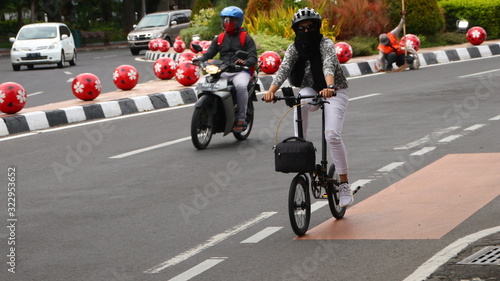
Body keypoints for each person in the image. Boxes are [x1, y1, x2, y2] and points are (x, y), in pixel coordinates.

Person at [263, 7, 353, 207]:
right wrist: (270, 90)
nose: (306, 32)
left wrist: (330, 86)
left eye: (310, 27)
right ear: (296, 30)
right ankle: (301, 147)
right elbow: (284, 69)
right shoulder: (294, 48)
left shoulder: (325, 44)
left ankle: (344, 184)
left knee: (332, 135)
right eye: (301, 28)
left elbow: (328, 64)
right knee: (301, 100)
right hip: (311, 90)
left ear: (317, 27)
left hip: (335, 90)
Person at [194, 6, 258, 133]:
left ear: (238, 21)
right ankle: (205, 113)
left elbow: (253, 57)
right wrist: (200, 59)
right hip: (222, 70)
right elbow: (209, 54)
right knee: (203, 83)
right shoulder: (219, 38)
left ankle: (241, 118)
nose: (227, 23)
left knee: (240, 87)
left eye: (231, 20)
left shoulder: (246, 38)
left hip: (240, 71)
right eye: (225, 20)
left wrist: (245, 62)